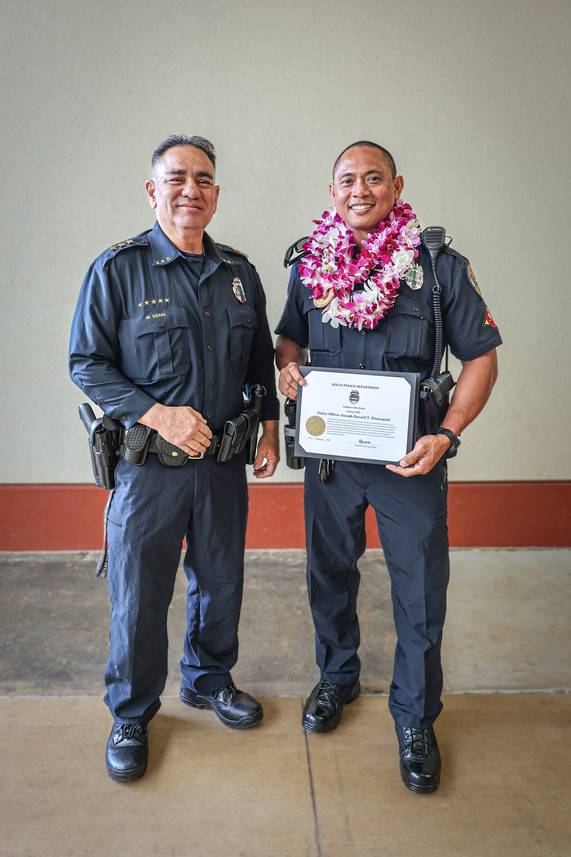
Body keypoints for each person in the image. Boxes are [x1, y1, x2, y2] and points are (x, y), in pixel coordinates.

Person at [275, 141, 501, 794]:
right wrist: (289, 366)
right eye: (347, 179)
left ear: (396, 186)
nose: (359, 189)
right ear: (331, 190)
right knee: (329, 576)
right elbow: (289, 335)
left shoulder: (436, 267)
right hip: (330, 464)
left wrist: (448, 435)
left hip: (412, 459)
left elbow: (481, 356)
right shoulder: (310, 266)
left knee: (420, 594)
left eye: (373, 178)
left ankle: (413, 717)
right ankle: (337, 676)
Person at [70, 134, 279, 782]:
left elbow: (259, 366)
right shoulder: (118, 268)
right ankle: (131, 711)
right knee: (140, 595)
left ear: (216, 193)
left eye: (205, 179)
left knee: (221, 583)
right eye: (178, 177)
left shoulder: (239, 274)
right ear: (152, 189)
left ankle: (209, 679)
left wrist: (269, 428)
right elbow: (86, 362)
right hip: (150, 470)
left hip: (221, 468)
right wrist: (157, 413)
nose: (192, 189)